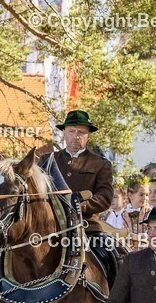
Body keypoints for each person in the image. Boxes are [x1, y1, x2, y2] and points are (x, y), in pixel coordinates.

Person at [51, 110, 120, 281]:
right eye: (71, 131)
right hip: (49, 228)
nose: (76, 136)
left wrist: (78, 205)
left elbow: (105, 197)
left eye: (81, 132)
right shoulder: (48, 160)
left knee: (111, 255)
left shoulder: (100, 164)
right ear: (64, 133)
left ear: (88, 135)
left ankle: (114, 294)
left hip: (86, 228)